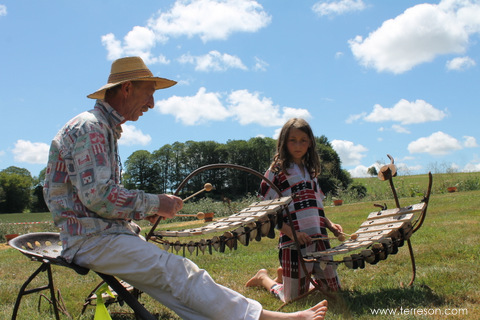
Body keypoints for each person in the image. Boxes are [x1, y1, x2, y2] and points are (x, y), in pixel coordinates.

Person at [43, 57, 328, 320]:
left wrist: (139, 213)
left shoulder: (101, 128)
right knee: (178, 272)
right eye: (149, 93)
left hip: (100, 234)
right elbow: (98, 196)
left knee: (172, 286)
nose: (152, 103)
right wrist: (156, 203)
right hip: (91, 240)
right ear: (127, 88)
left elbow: (94, 198)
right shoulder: (91, 128)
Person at [246, 118, 342, 303]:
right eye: (293, 140)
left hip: (319, 239)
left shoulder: (311, 171)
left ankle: (290, 276)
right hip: (293, 243)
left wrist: (330, 226)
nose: (298, 145)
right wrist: (293, 234)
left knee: (334, 291)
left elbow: (317, 207)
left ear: (310, 143)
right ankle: (264, 279)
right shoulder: (277, 171)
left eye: (303, 140)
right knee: (293, 299)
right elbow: (266, 212)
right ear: (284, 142)